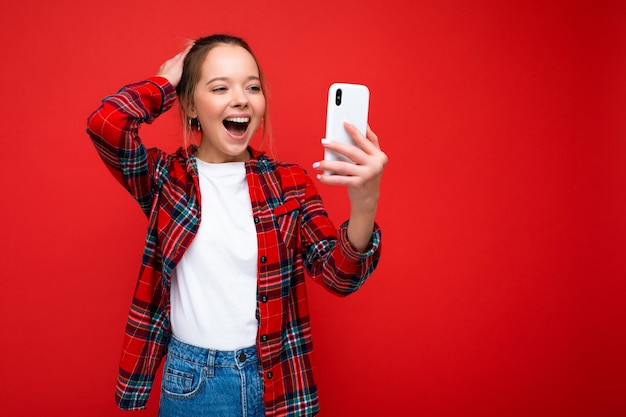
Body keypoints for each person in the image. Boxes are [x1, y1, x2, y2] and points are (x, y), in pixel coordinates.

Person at [86, 34, 387, 417]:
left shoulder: (288, 182)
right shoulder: (167, 179)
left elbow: (339, 277)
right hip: (191, 382)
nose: (241, 98)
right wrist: (164, 84)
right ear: (191, 105)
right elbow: (105, 124)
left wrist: (364, 205)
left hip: (276, 381)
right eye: (220, 87)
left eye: (253, 87)